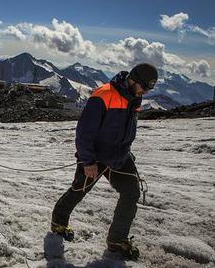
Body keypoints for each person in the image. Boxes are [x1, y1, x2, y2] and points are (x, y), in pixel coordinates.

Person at [50, 63, 158, 260]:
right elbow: (84, 131)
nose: (146, 91)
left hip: (120, 157)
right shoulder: (103, 95)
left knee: (131, 192)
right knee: (78, 190)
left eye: (149, 88)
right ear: (133, 80)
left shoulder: (135, 97)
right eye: (145, 87)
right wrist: (88, 160)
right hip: (95, 158)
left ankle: (117, 239)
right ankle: (58, 222)